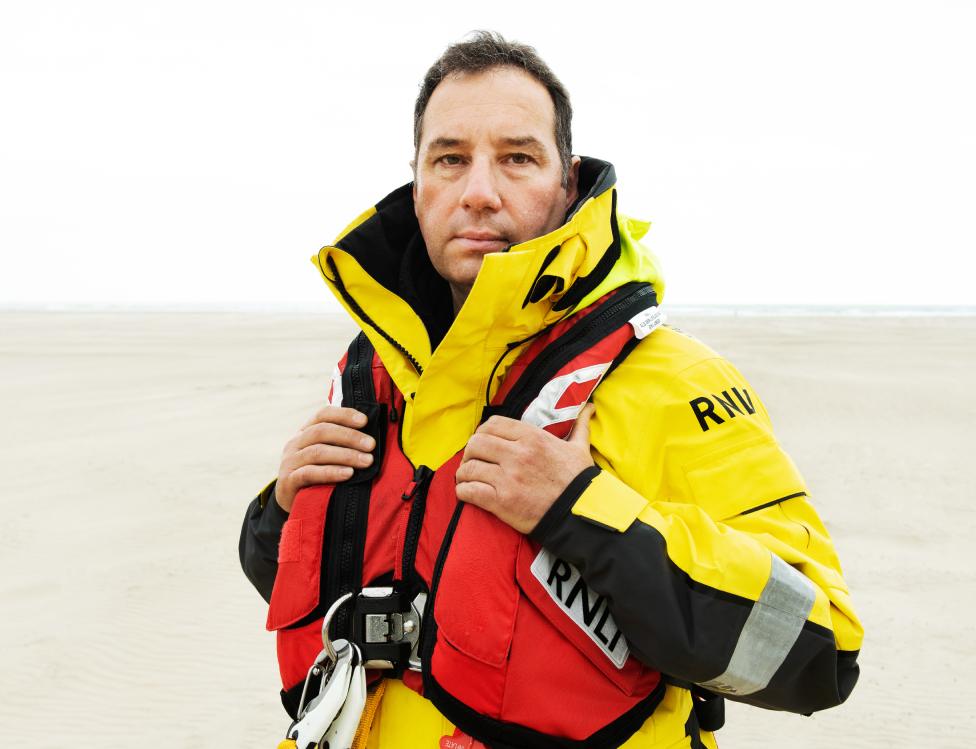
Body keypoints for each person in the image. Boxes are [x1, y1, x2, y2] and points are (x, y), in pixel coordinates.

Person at [240, 31, 862, 749]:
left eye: (517, 158)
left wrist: (585, 510)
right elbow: (322, 588)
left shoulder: (672, 377)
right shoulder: (377, 368)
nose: (479, 192)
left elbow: (819, 652)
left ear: (566, 181)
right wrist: (282, 509)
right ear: (417, 184)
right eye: (450, 159)